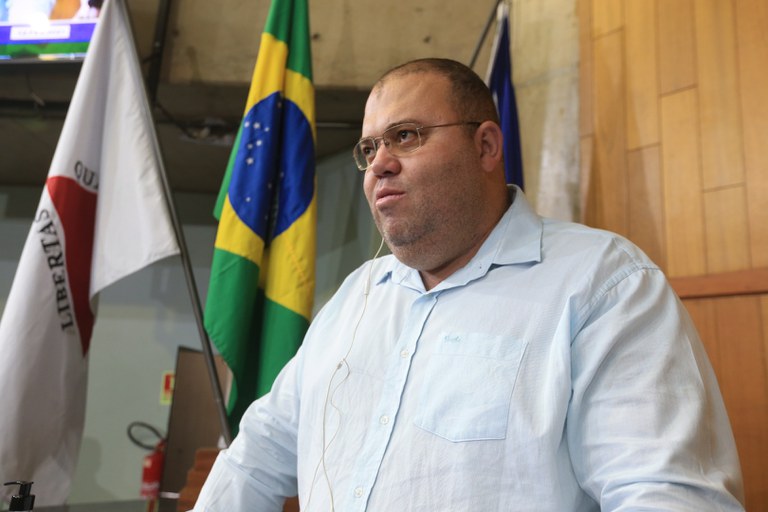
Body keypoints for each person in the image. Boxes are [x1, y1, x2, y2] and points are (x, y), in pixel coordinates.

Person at [192, 58, 745, 511]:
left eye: (405, 136)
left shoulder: (603, 284)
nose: (379, 164)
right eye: (369, 148)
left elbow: (667, 495)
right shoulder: (355, 298)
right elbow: (256, 457)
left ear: (485, 146)